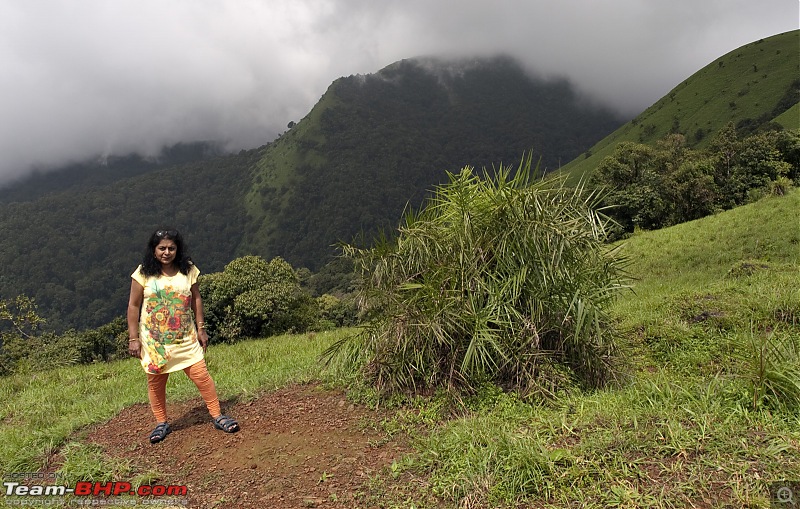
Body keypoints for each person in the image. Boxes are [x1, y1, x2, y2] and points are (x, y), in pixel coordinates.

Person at [127, 228, 239, 443]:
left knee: (201, 375)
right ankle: (161, 423)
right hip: (154, 342)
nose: (166, 252)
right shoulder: (143, 273)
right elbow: (133, 306)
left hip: (185, 338)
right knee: (156, 383)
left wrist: (201, 328)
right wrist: (134, 339)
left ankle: (217, 415)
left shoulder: (188, 270)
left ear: (178, 250)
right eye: (162, 248)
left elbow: (196, 299)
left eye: (171, 248)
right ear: (153, 250)